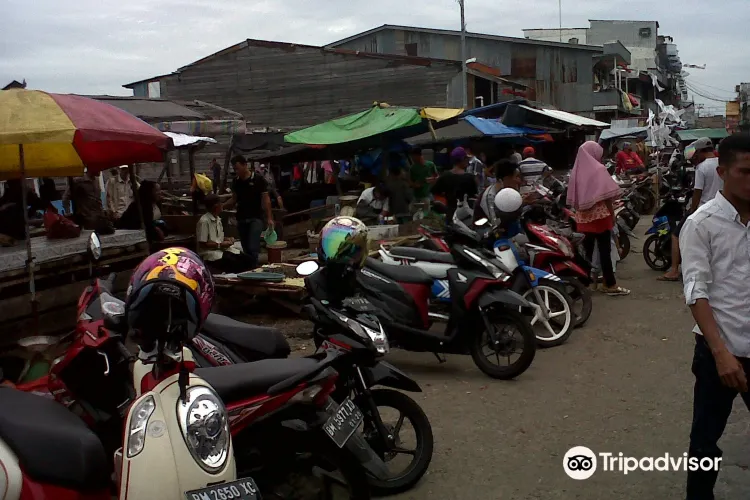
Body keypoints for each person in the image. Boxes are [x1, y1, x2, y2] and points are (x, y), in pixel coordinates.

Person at [679, 134, 750, 500]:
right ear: (722, 172)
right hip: (718, 353)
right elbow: (696, 289)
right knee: (705, 441)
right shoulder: (701, 224)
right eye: (746, 172)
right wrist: (721, 352)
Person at [567, 141, 630, 296]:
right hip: (600, 216)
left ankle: (587, 283)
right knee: (604, 251)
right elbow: (607, 196)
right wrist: (612, 214)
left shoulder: (577, 170)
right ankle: (610, 284)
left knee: (587, 252)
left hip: (582, 217)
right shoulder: (599, 169)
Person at [659, 138, 721, 282]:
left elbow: (697, 193)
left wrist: (692, 211)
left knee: (676, 235)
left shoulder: (702, 168)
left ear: (699, 152)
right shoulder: (722, 164)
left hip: (704, 210)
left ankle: (674, 270)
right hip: (720, 209)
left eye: (695, 153)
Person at [222, 155, 273, 268]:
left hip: (256, 218)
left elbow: (266, 199)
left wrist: (269, 218)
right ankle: (249, 269)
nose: (236, 171)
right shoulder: (236, 181)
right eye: (235, 169)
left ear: (245, 165)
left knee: (252, 246)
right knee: (245, 248)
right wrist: (222, 206)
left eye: (238, 168)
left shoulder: (259, 179)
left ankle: (253, 269)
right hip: (241, 218)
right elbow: (234, 199)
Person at [197, 194, 254, 273]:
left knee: (248, 260)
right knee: (235, 262)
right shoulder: (204, 221)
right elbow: (202, 243)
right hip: (211, 254)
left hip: (222, 250)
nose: (222, 205)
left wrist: (227, 239)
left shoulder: (218, 219)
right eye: (221, 203)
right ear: (216, 206)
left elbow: (217, 237)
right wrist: (221, 244)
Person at [431, 147, 478, 221]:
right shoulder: (469, 178)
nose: (467, 161)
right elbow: (474, 196)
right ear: (462, 160)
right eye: (466, 159)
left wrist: (448, 194)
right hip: (466, 216)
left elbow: (435, 191)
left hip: (450, 214)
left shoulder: (445, 175)